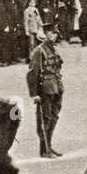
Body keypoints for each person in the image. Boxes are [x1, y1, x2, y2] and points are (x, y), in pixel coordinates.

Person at [27, 21, 64, 158]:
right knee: (45, 118)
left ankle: (49, 144)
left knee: (54, 117)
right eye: (51, 33)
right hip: (45, 89)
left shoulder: (54, 48)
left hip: (57, 87)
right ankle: (44, 149)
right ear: (46, 34)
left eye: (55, 33)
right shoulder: (39, 50)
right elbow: (32, 73)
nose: (54, 35)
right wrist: (34, 94)